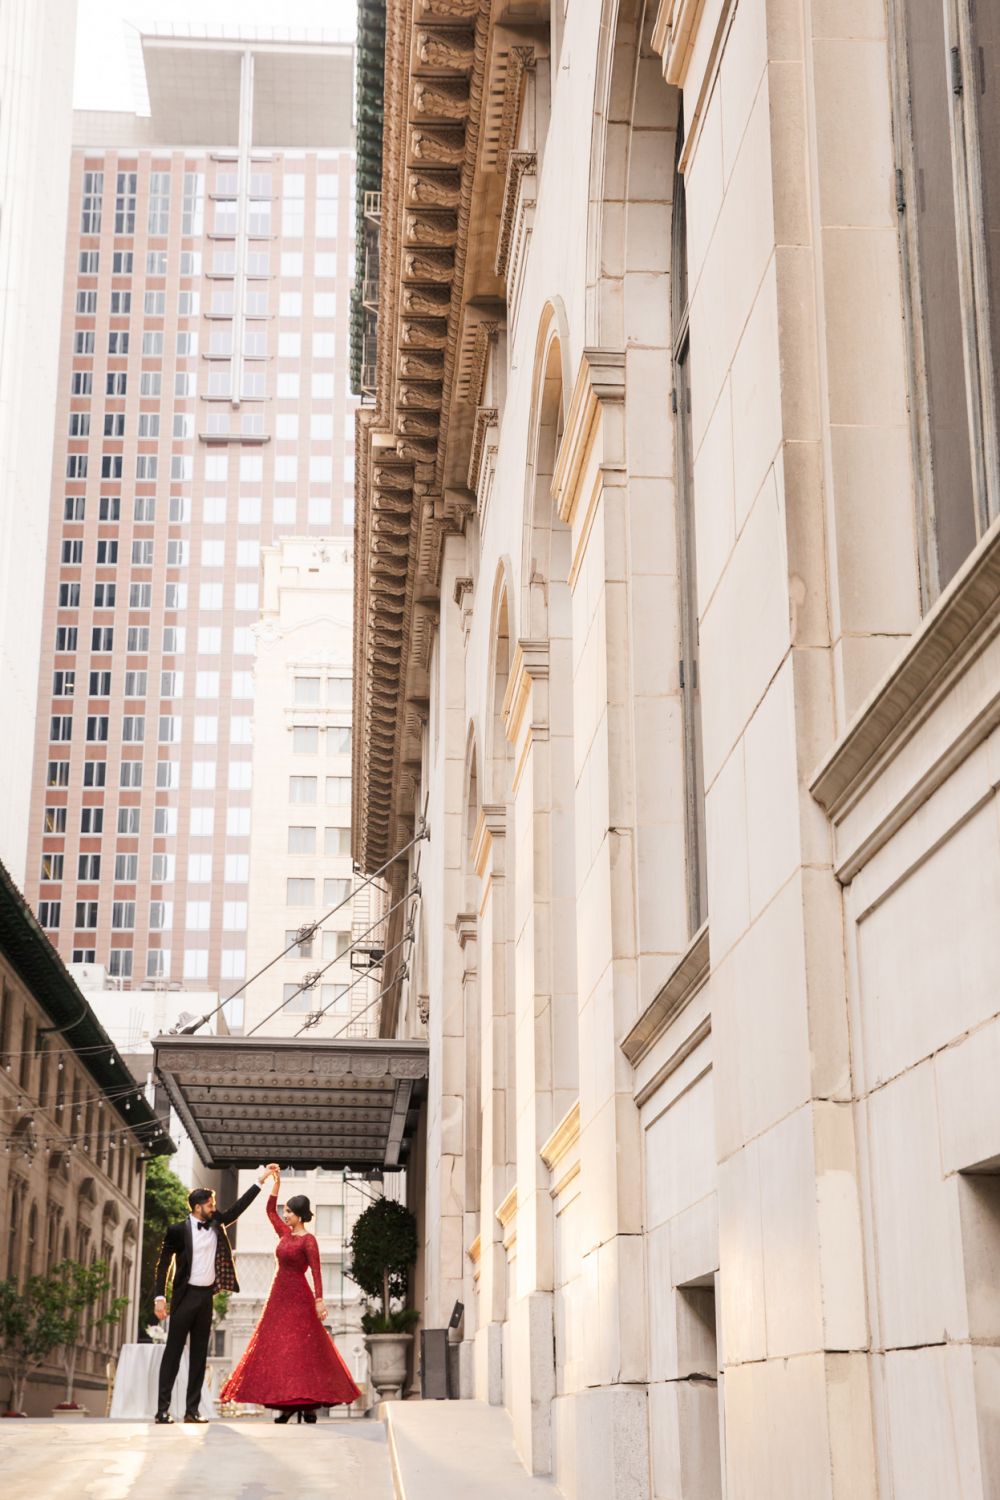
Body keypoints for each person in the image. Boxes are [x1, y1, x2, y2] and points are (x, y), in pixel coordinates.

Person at [219, 1166, 361, 1421]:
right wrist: (276, 1184)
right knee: (281, 1349)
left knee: (303, 1351)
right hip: (278, 1297)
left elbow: (316, 1272)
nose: (284, 1215)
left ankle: (305, 1405)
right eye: (285, 1211)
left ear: (299, 1216)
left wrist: (319, 1301)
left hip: (300, 1297)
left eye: (289, 1212)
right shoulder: (284, 1233)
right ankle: (288, 1405)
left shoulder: (309, 1241)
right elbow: (268, 1211)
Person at [152, 1166, 276, 1424]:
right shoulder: (177, 1231)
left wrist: (260, 1180)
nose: (213, 1207)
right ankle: (162, 1409)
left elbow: (237, 1209)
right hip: (184, 1297)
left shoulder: (217, 1223)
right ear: (198, 1207)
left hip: (206, 1298)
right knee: (173, 1353)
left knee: (199, 1355)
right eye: (209, 1204)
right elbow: (163, 1263)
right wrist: (159, 1297)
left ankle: (191, 1411)